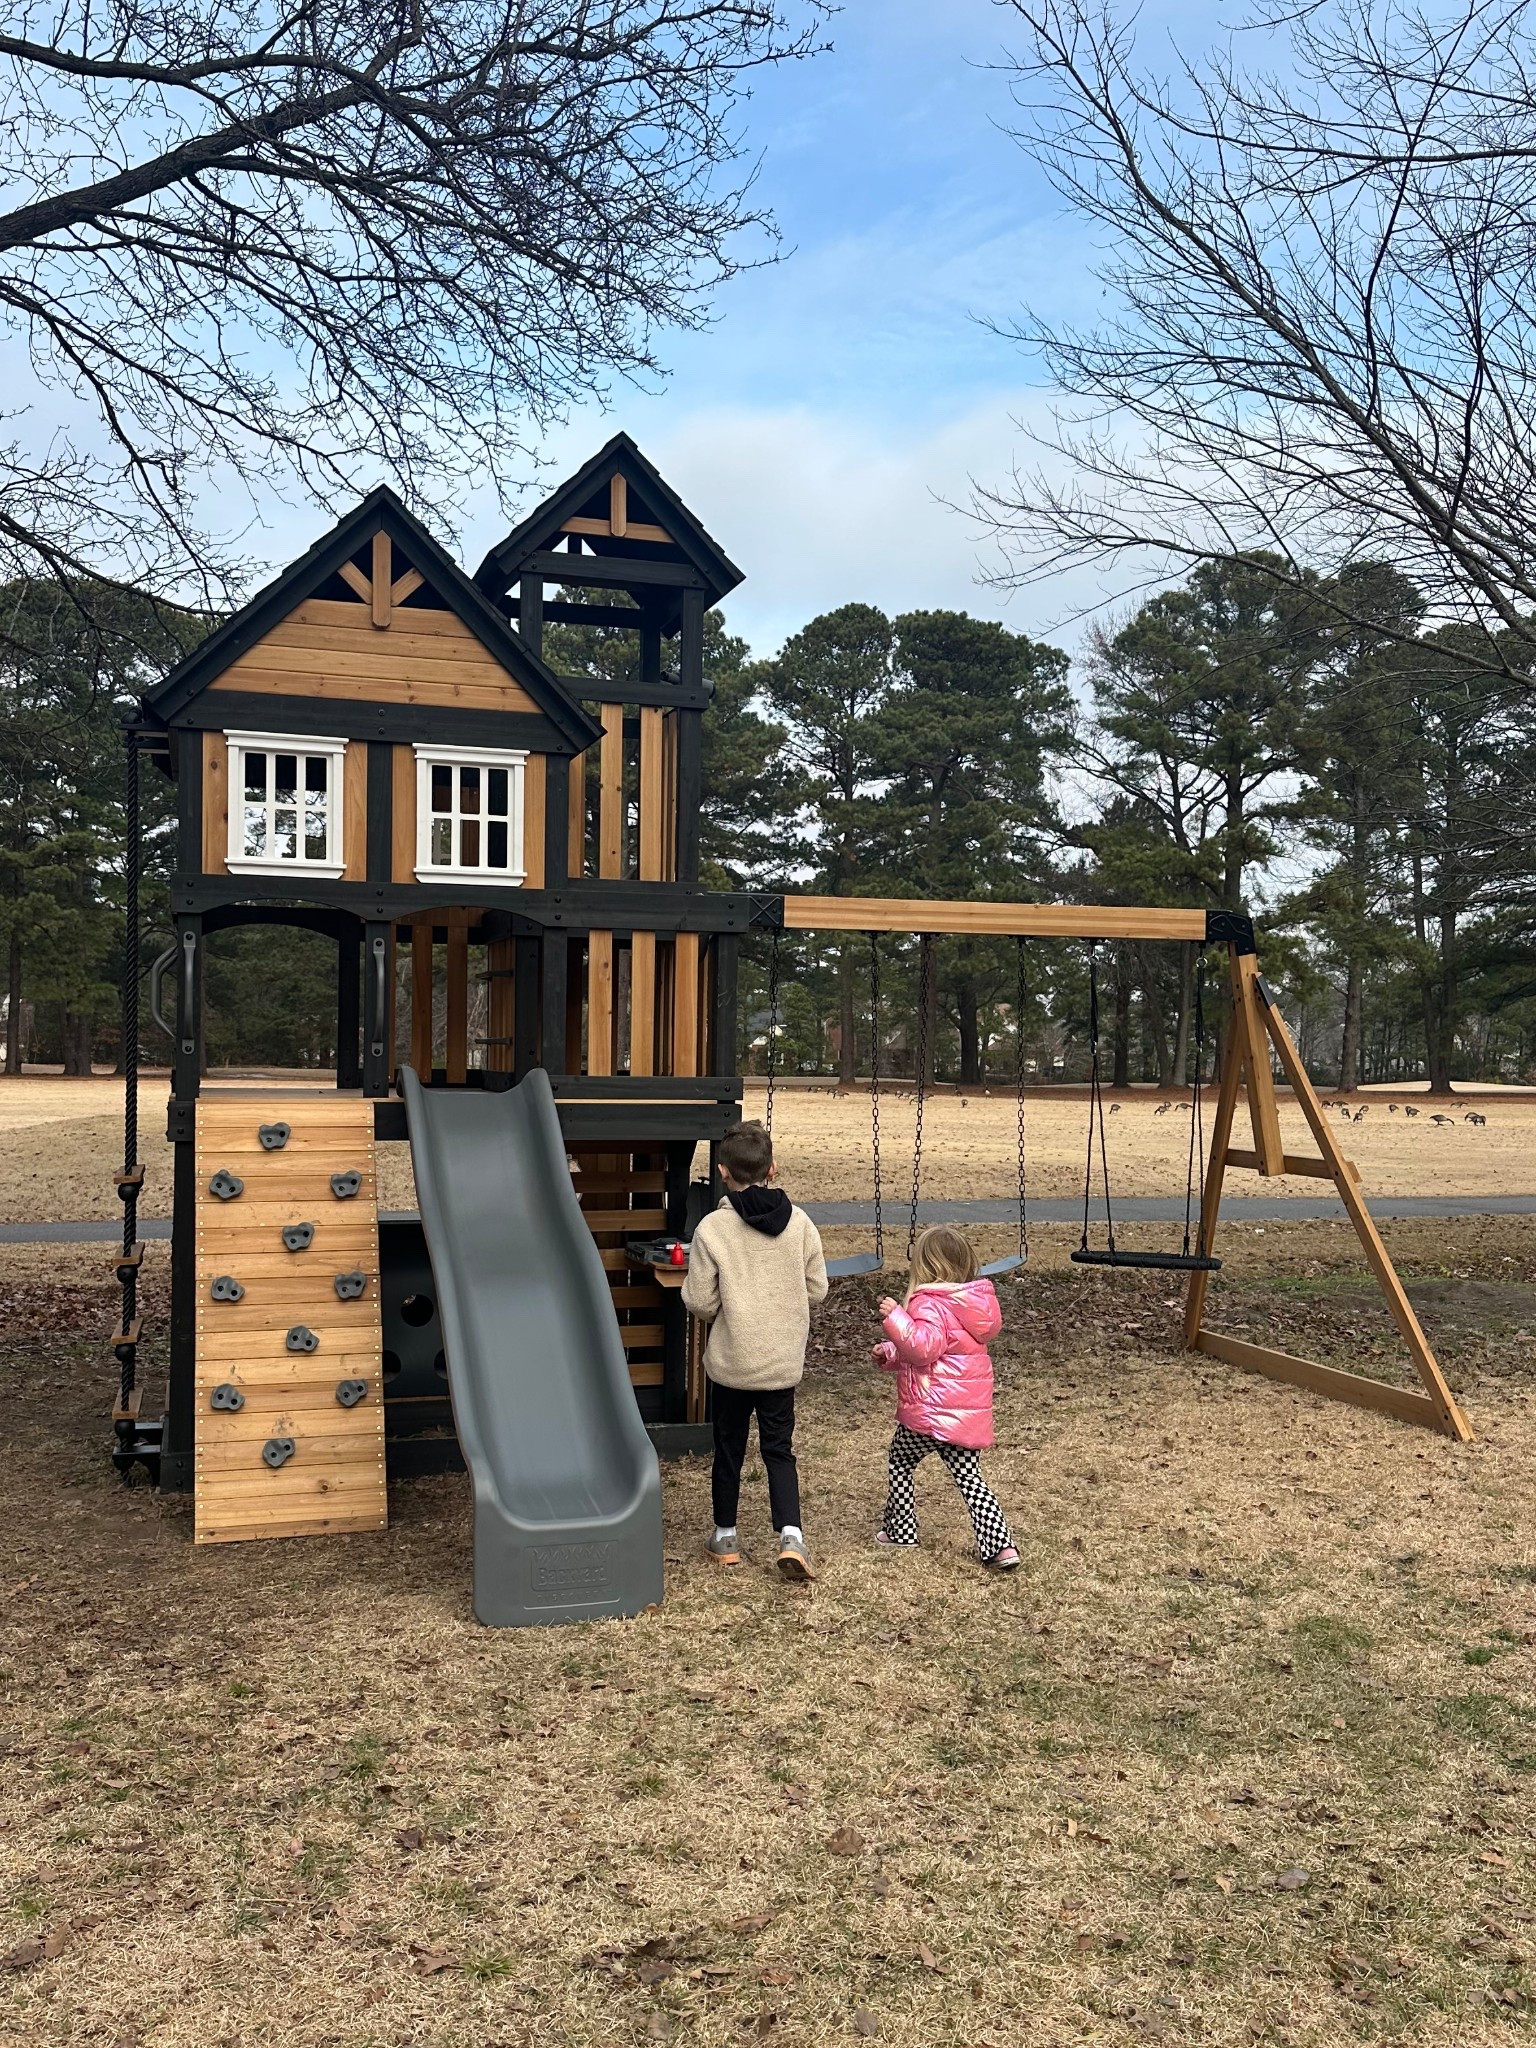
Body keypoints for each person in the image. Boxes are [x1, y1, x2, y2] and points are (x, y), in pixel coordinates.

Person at [682, 1118, 828, 1580]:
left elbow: (701, 1301)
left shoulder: (712, 1229)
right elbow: (816, 1288)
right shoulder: (801, 1224)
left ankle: (725, 1535)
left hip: (731, 1363)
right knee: (778, 1449)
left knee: (728, 1448)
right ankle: (791, 1536)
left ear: (723, 1172)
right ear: (773, 1169)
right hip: (780, 1362)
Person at [871, 1224, 1020, 1570]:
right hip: (961, 1413)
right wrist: (892, 1353)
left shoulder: (929, 1302)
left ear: (927, 1266)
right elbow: (942, 1349)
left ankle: (901, 1529)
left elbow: (924, 1348)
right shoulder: (972, 1304)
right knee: (969, 1477)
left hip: (930, 1413)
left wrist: (894, 1318)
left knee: (900, 1460)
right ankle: (1000, 1547)